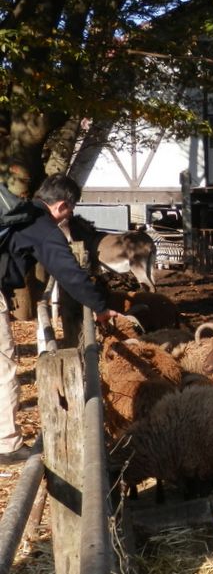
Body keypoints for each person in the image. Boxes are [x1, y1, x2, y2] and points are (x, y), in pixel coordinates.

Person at [0, 174, 118, 465]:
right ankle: (7, 443)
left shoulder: (18, 214)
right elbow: (69, 272)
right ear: (63, 206)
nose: (70, 216)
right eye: (72, 210)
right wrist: (100, 307)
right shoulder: (40, 224)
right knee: (4, 367)